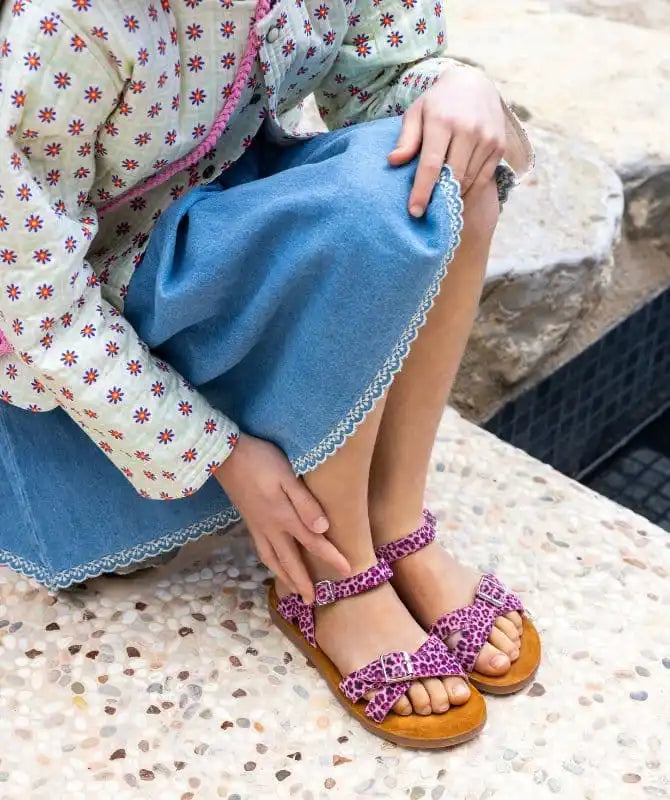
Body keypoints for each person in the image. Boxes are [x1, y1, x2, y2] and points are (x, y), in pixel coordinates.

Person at [0, 0, 539, 747]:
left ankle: (394, 519)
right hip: (101, 343)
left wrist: (456, 83)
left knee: (454, 166)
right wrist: (216, 451)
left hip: (222, 218)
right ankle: (333, 569)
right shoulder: (67, 23)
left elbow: (383, 82)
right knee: (370, 217)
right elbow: (33, 314)